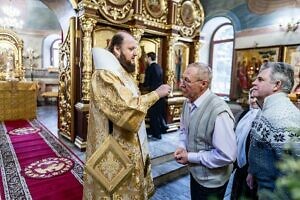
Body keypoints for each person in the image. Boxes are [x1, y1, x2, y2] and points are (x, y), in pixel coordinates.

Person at [83, 31, 171, 199]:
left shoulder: (121, 72)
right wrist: (156, 94)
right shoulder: (105, 74)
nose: (136, 53)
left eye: (136, 49)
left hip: (128, 146)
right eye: (131, 49)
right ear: (116, 49)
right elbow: (126, 108)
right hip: (116, 151)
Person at [174, 62, 237, 200]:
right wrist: (181, 146)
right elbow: (184, 130)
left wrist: (189, 157)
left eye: (187, 81)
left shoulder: (219, 112)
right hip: (196, 174)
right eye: (182, 78)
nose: (181, 84)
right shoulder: (188, 101)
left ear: (203, 84)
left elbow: (227, 155)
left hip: (212, 181)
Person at [246, 62, 300, 198]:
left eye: (260, 79)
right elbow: (260, 145)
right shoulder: (267, 108)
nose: (253, 82)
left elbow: (291, 170)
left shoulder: (283, 117)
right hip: (261, 187)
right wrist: (253, 171)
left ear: (277, 85)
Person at [225, 89, 260, 200]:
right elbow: (238, 138)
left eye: (256, 98)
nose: (253, 100)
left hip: (251, 169)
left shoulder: (263, 117)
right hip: (239, 166)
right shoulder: (244, 113)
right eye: (251, 97)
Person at [143, 52, 168, 139]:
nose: (145, 59)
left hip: (153, 94)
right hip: (161, 94)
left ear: (149, 58)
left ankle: (156, 133)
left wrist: (142, 84)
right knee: (157, 114)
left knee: (153, 114)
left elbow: (147, 83)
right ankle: (159, 132)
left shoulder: (150, 68)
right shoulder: (159, 67)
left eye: (146, 58)